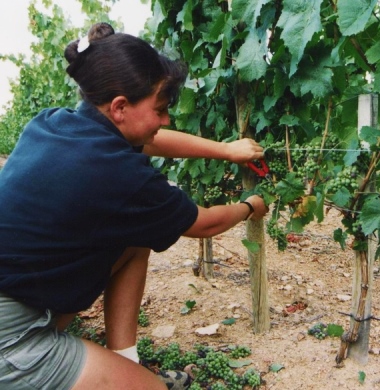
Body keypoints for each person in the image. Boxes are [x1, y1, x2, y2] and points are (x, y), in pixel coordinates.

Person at [0, 22, 268, 390]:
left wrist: (225, 151)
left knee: (133, 242)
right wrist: (250, 206)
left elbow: (152, 140)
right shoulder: (120, 175)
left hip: (19, 294)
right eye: (160, 109)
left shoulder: (54, 122)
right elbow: (204, 224)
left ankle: (125, 361)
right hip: (10, 340)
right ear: (120, 107)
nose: (166, 119)